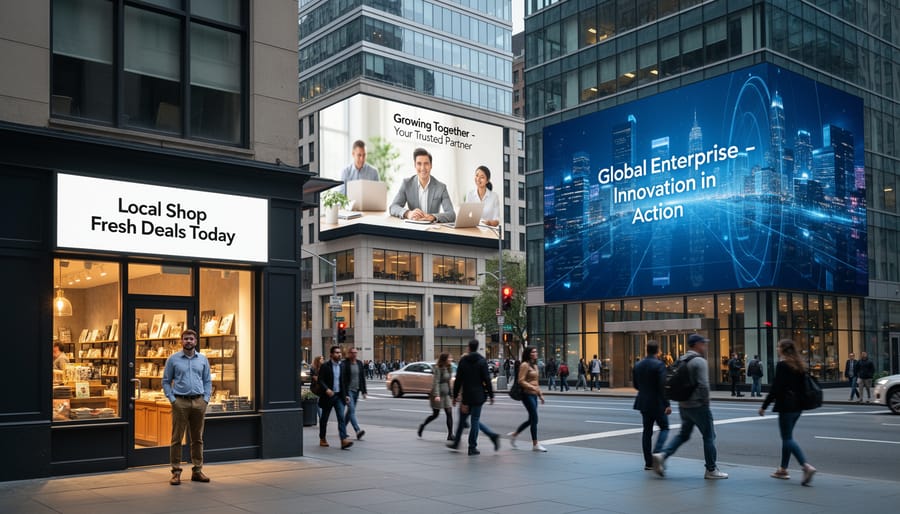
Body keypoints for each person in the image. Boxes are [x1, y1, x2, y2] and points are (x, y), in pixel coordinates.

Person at [652, 334, 728, 480]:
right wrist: (706, 403)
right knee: (709, 436)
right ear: (697, 345)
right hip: (698, 405)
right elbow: (704, 385)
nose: (705, 346)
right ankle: (711, 470)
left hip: (683, 404)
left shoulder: (682, 359)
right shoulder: (699, 361)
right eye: (703, 343)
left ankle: (662, 455)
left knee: (683, 434)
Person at [758, 339, 817, 485]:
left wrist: (764, 406)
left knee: (787, 438)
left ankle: (806, 466)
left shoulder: (782, 365)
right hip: (798, 407)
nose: (777, 349)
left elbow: (776, 388)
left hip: (786, 405)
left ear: (783, 349)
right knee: (787, 437)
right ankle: (783, 469)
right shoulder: (800, 365)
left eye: (778, 347)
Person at [161, 329, 212, 485]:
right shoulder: (173, 359)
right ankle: (176, 472)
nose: (188, 341)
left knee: (197, 438)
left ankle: (197, 470)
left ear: (195, 341)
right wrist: (172, 399)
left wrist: (206, 399)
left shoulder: (203, 359)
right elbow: (165, 381)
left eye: (191, 339)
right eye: (185, 339)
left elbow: (207, 381)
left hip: (199, 402)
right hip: (180, 402)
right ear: (181, 341)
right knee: (176, 438)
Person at [447, 339, 500, 455]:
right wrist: (491, 395)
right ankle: (472, 446)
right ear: (477, 347)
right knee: (474, 420)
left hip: (466, 396)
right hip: (478, 396)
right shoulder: (482, 361)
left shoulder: (463, 361)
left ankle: (458, 442)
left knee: (463, 419)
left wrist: (455, 396)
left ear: (468, 347)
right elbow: (487, 379)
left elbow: (458, 381)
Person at [389, 148, 456, 223]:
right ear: (415, 165)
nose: (423, 168)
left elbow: (452, 214)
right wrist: (408, 213)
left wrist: (433, 217)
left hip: (432, 229)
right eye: (419, 163)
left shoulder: (441, 187)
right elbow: (393, 207)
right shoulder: (406, 184)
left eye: (426, 163)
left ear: (431, 165)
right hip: (413, 227)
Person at [633, 340, 671, 470]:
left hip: (643, 402)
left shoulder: (638, 365)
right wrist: (667, 404)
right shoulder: (659, 365)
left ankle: (648, 463)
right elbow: (662, 387)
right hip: (657, 403)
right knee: (665, 427)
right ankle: (657, 452)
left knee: (647, 432)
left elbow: (636, 385)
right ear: (658, 351)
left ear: (646, 349)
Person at [508, 347, 548, 451]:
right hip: (526, 395)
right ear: (529, 354)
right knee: (534, 419)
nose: (536, 353)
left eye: (536, 351)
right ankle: (535, 444)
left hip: (534, 395)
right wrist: (532, 387)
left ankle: (515, 435)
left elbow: (536, 382)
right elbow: (521, 381)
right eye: (533, 352)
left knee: (532, 419)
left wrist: (540, 394)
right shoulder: (524, 365)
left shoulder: (535, 365)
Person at [317, 345, 353, 450]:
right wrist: (326, 389)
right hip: (328, 396)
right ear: (331, 354)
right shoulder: (325, 366)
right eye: (337, 353)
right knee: (324, 418)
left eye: (340, 352)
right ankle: (322, 438)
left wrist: (346, 395)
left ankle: (343, 440)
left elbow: (344, 382)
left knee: (341, 418)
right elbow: (320, 380)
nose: (339, 354)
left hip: (339, 397)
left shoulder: (342, 366)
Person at [418, 352, 454, 440]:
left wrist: (452, 394)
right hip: (438, 395)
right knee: (435, 414)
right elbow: (436, 382)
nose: (451, 359)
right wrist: (436, 395)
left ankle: (450, 435)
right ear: (445, 359)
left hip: (446, 395)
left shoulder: (449, 368)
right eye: (449, 358)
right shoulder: (438, 368)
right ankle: (422, 426)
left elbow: (449, 382)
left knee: (449, 413)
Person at [340, 346, 368, 441]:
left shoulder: (359, 363)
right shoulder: (345, 364)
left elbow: (362, 378)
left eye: (356, 353)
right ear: (349, 354)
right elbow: (343, 380)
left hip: (357, 390)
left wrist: (364, 391)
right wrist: (345, 394)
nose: (354, 354)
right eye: (352, 353)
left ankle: (342, 428)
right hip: (348, 391)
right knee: (351, 411)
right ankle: (357, 431)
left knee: (349, 412)